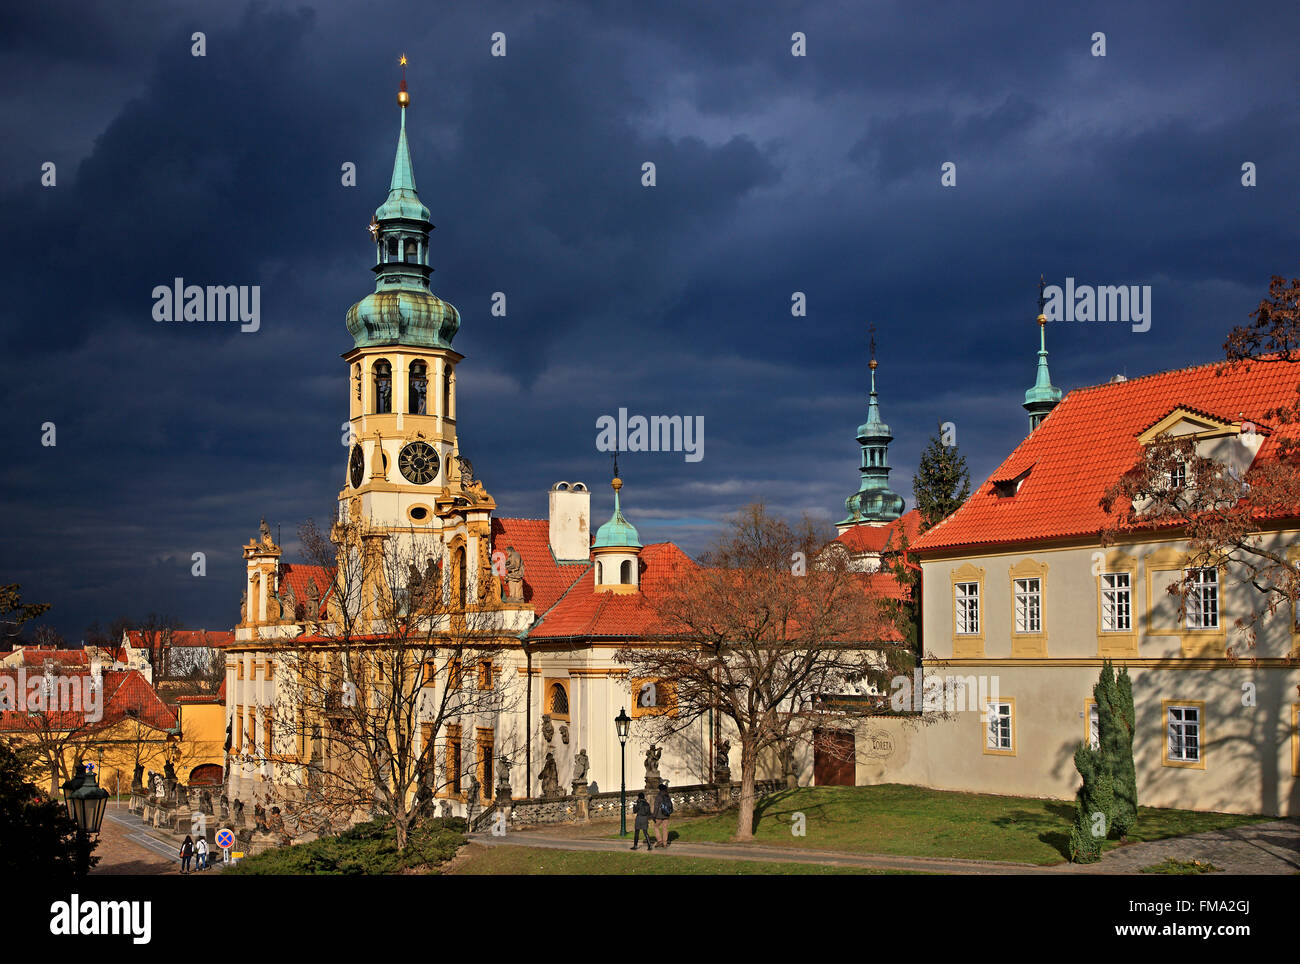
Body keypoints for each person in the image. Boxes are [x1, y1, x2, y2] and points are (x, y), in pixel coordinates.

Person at [653, 782, 674, 848]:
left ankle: (659, 841)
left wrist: (654, 815)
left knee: (656, 827)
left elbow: (656, 807)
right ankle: (665, 843)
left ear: (659, 789)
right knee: (665, 828)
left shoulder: (658, 796)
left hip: (659, 815)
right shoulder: (667, 796)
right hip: (667, 814)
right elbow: (671, 805)